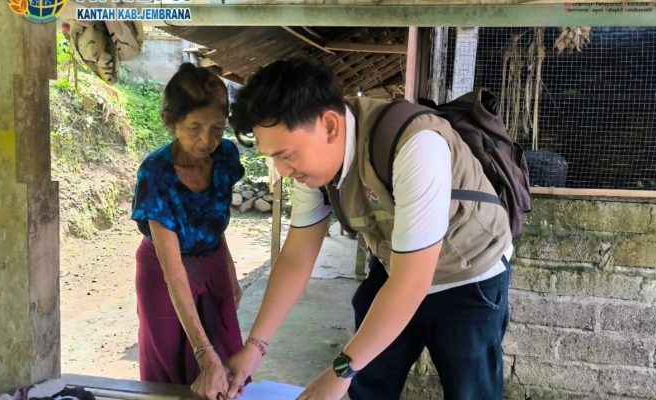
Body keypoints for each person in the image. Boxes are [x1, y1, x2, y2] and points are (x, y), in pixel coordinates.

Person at [225, 58, 513, 400]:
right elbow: (297, 256)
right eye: (273, 157)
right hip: (397, 263)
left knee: (471, 391)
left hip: (469, 273)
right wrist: (255, 347)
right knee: (369, 382)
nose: (282, 169)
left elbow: (412, 283)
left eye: (285, 155)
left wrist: (340, 371)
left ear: (329, 126)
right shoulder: (311, 167)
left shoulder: (415, 144)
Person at [131, 63, 247, 400]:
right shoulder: (156, 173)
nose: (206, 140)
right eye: (195, 127)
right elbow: (173, 273)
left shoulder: (225, 157)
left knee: (226, 359)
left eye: (217, 129)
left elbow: (213, 220)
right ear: (171, 121)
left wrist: (229, 270)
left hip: (212, 259)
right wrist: (203, 353)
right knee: (169, 368)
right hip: (163, 269)